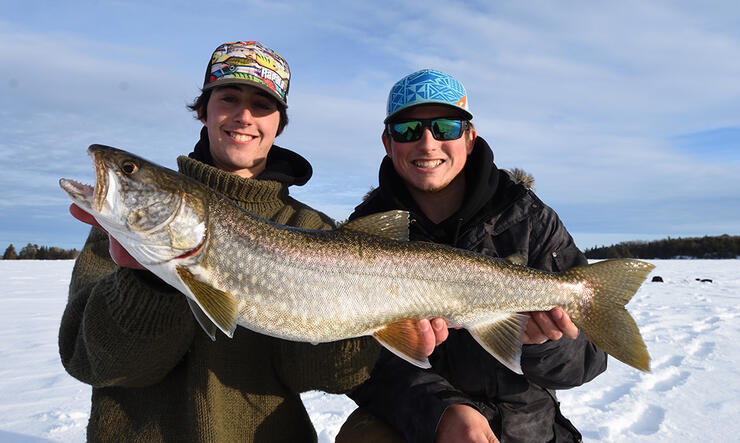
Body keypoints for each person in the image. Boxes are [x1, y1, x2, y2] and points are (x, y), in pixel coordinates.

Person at [59, 42, 445, 442]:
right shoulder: (119, 234)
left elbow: (322, 378)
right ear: (202, 110)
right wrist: (147, 281)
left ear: (279, 122)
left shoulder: (312, 227)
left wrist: (371, 323)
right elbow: (94, 364)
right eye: (228, 98)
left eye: (262, 105)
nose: (243, 116)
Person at [337, 69, 608, 443]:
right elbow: (358, 368)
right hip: (414, 421)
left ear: (469, 136)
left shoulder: (527, 216)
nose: (428, 144)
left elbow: (590, 359)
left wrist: (544, 344)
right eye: (407, 130)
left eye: (445, 127)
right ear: (388, 142)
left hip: (526, 426)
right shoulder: (362, 234)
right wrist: (441, 412)